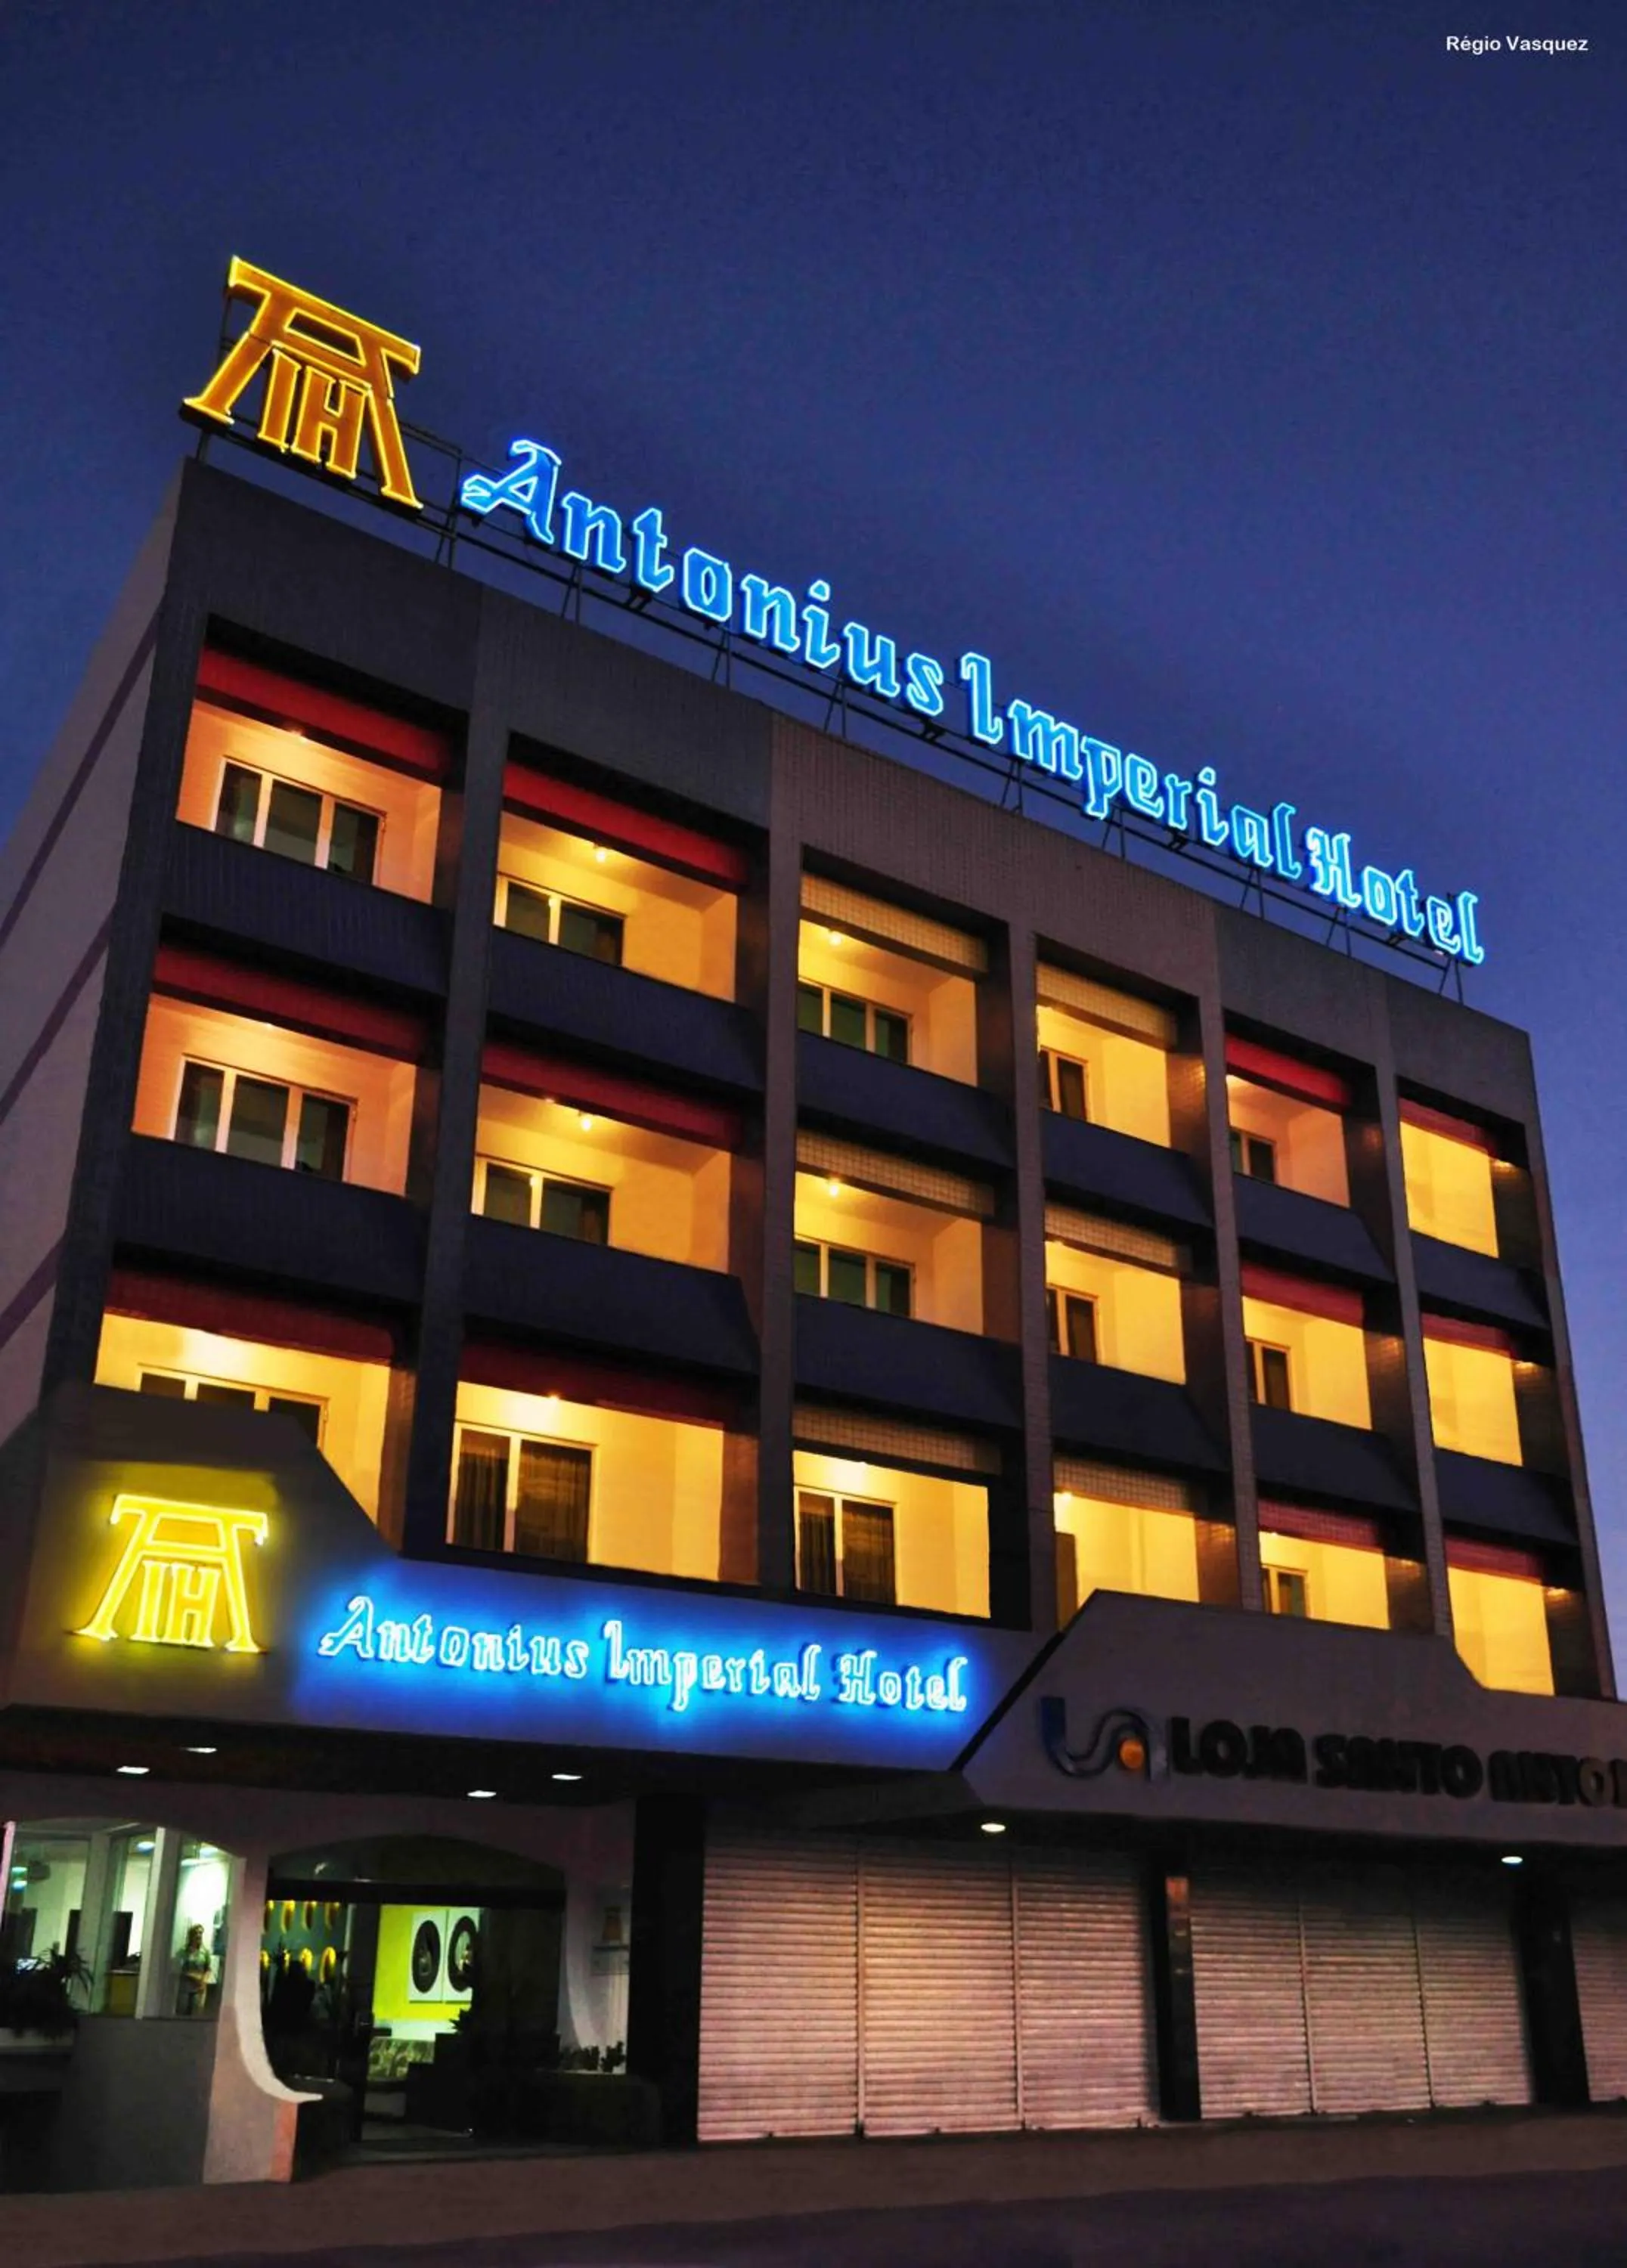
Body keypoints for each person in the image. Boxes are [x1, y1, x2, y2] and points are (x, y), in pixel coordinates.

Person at [175, 1922, 213, 2016]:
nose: (199, 1935)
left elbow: (208, 1968)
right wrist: (195, 1977)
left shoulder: (205, 1952)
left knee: (196, 2014)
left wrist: (204, 1980)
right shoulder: (184, 1951)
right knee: (182, 2012)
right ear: (191, 1935)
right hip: (186, 1988)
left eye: (201, 1933)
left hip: (199, 1988)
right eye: (196, 1933)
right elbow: (180, 1969)